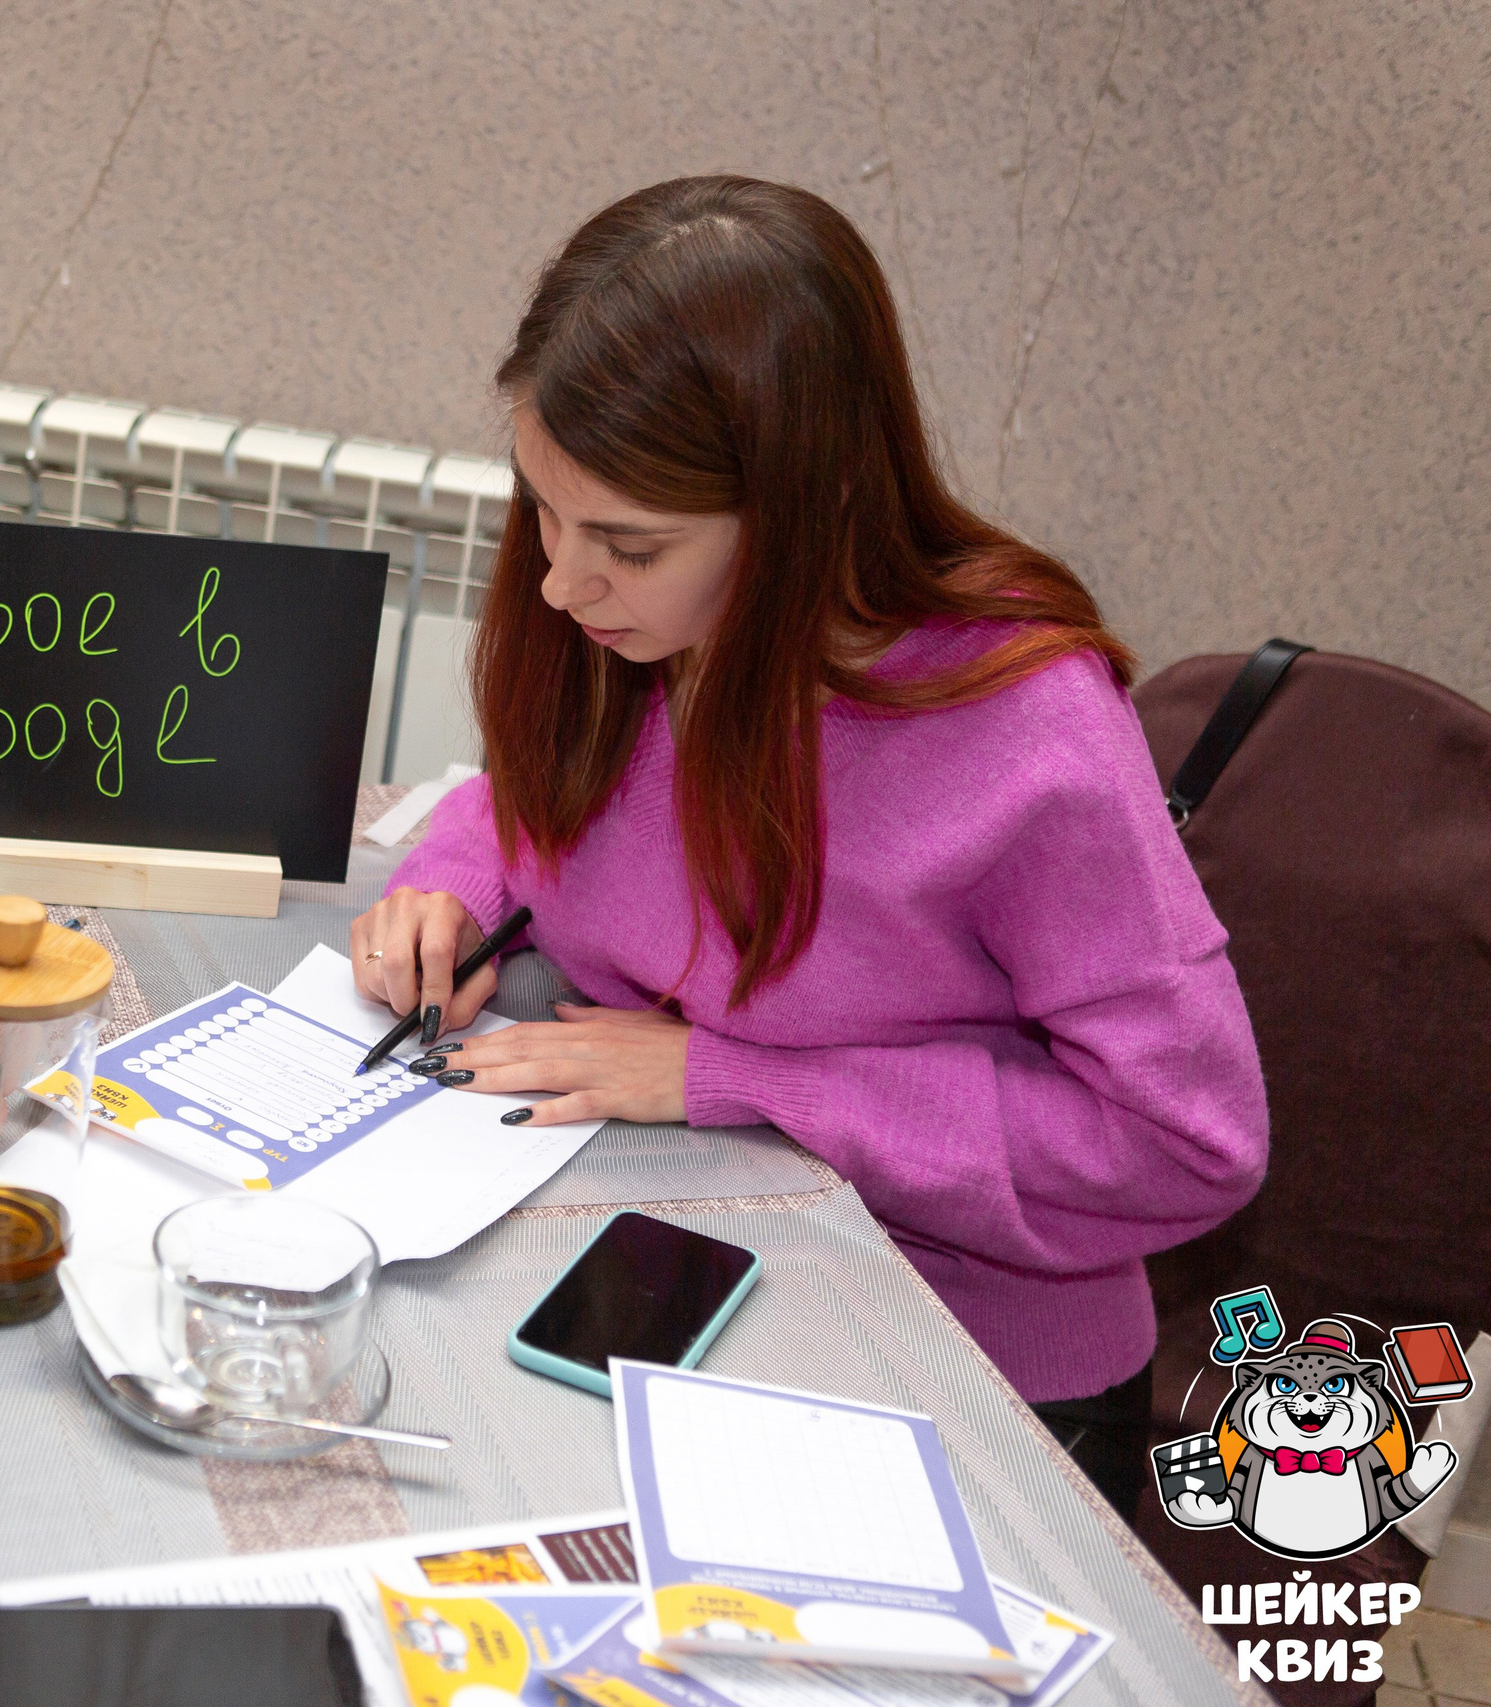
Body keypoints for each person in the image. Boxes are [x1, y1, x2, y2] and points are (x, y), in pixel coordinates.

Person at [350, 177, 1269, 1515]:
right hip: (663, 1258)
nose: (556, 579)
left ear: (802, 506)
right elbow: (541, 797)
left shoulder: (1026, 733)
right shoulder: (631, 625)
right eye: (542, 509)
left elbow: (1180, 1137)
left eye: (625, 542)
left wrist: (735, 1076)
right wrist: (452, 881)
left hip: (960, 1365)